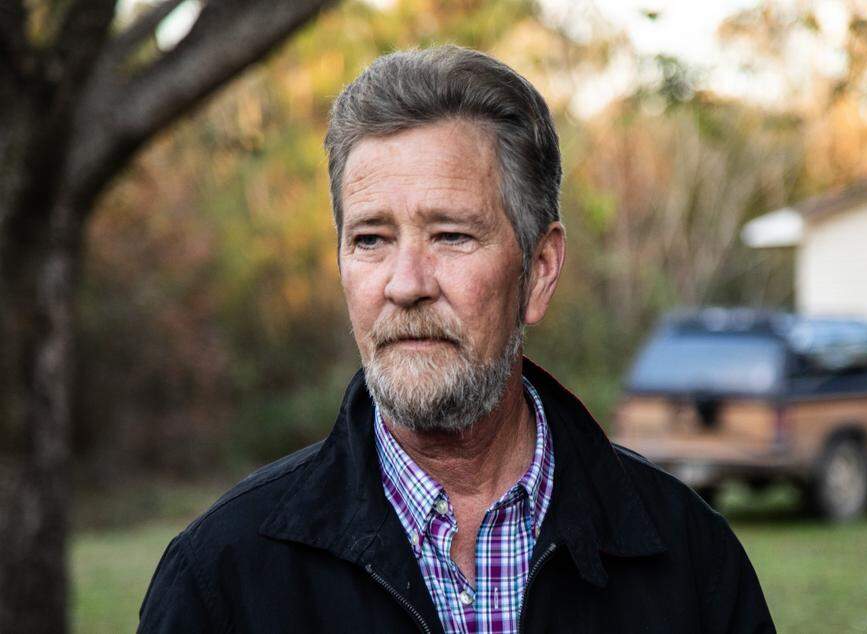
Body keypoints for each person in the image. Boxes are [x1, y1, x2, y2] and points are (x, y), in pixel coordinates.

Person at [138, 45, 776, 633]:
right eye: (370, 240)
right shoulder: (221, 581)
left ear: (540, 270)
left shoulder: (692, 561)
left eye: (451, 235)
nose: (405, 284)